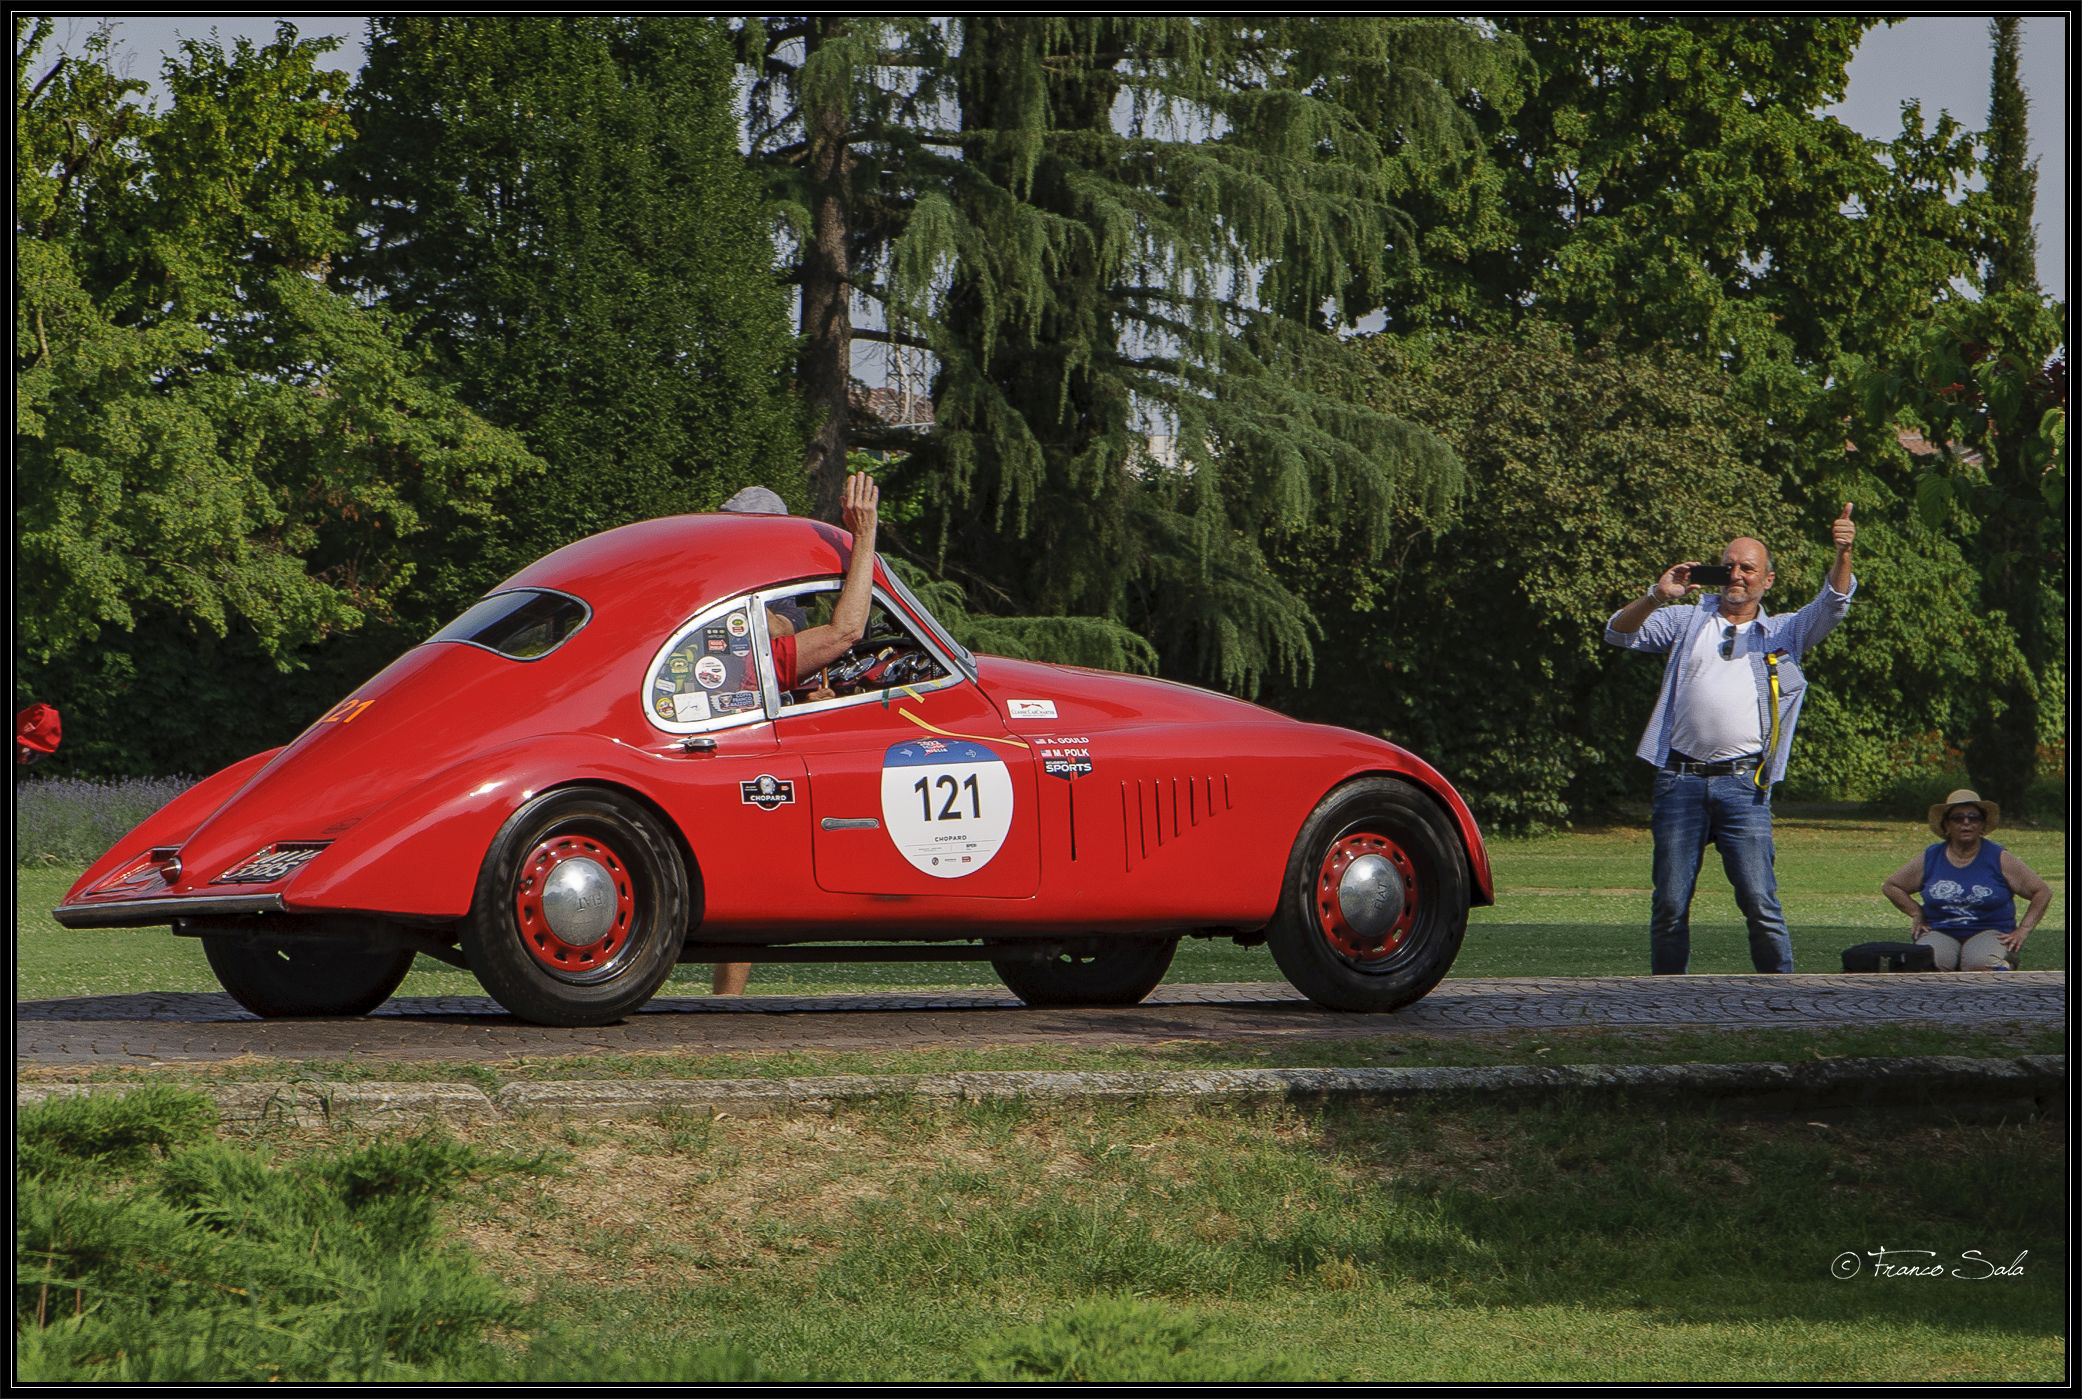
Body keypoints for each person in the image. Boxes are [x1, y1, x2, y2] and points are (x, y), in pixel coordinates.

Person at [1604, 505, 1857, 974]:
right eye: (1729, 566)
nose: (1737, 575)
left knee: (1760, 901)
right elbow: (1618, 633)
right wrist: (1656, 595)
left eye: (1748, 568)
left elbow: (1833, 603)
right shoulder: (1686, 620)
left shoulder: (1783, 631)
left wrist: (1843, 553)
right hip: (1679, 778)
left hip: (1744, 785)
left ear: (1768, 580)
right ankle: (1665, 1001)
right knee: (1670, 904)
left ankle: (1779, 999)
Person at [706, 474, 880, 996]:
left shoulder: (742, 608)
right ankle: (725, 1005)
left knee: (742, 892)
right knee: (742, 887)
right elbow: (841, 632)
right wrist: (865, 536)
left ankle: (726, 1005)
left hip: (734, 761)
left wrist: (805, 700)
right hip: (732, 770)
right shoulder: (747, 624)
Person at [1880, 789, 2052, 970]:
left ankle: (2003, 966)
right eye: (1958, 818)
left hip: (1990, 930)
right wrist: (1916, 912)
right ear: (1946, 826)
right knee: (1926, 962)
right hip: (1940, 930)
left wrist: (2023, 930)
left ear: (1982, 825)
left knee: (1980, 964)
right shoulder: (1931, 856)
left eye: (1974, 818)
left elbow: (2042, 892)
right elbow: (1892, 886)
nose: (1966, 823)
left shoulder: (1999, 857)